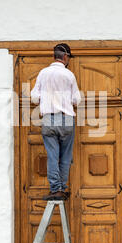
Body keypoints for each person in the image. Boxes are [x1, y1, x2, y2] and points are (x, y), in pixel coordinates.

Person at [30, 43, 81, 200]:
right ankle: (62, 188)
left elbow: (34, 98)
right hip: (66, 118)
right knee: (65, 156)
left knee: (52, 156)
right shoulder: (69, 75)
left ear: (54, 56)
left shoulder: (43, 73)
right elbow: (77, 100)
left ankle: (55, 189)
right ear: (65, 57)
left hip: (48, 119)